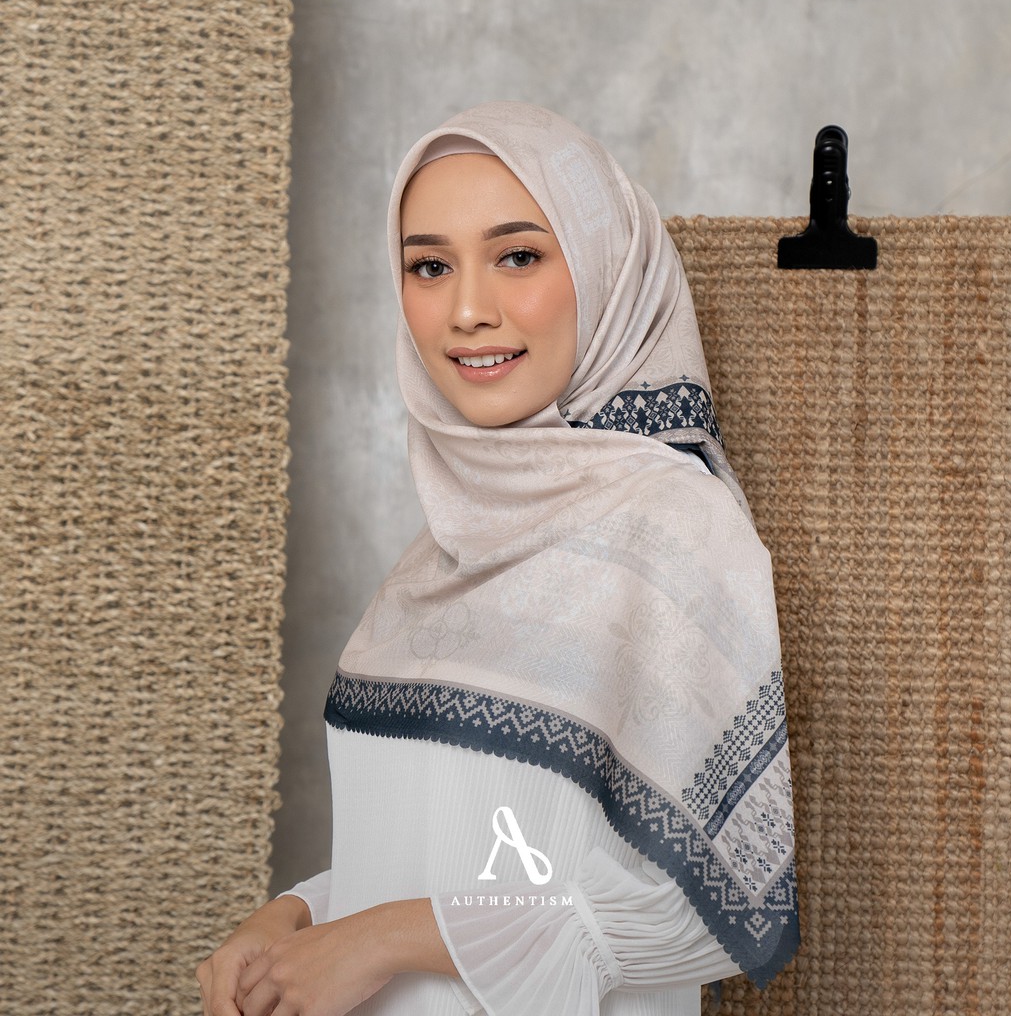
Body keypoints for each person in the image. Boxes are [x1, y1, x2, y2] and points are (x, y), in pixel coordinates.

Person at [197, 101, 798, 1016]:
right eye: (430, 267)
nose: (469, 311)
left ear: (605, 269)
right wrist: (296, 917)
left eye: (518, 256)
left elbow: (714, 912)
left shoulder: (672, 531)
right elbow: (452, 852)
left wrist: (384, 938)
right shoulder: (441, 547)